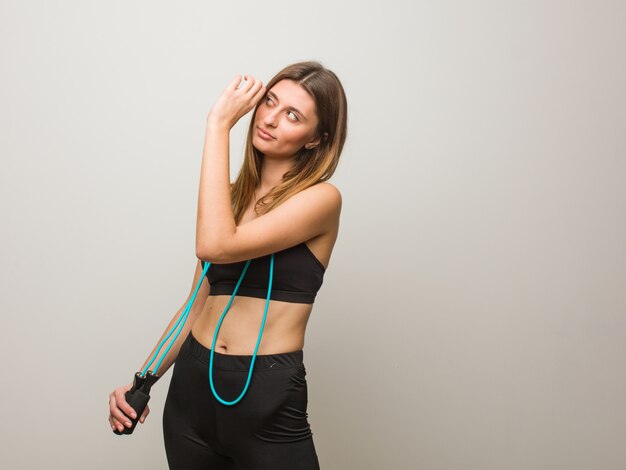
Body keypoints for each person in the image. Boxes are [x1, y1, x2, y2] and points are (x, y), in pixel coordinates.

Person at [108, 60, 347, 469]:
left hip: (266, 397)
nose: (270, 118)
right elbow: (194, 306)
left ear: (315, 139)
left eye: (293, 115)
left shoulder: (321, 200)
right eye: (269, 101)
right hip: (192, 392)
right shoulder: (232, 199)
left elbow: (215, 244)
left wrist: (218, 124)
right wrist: (142, 379)